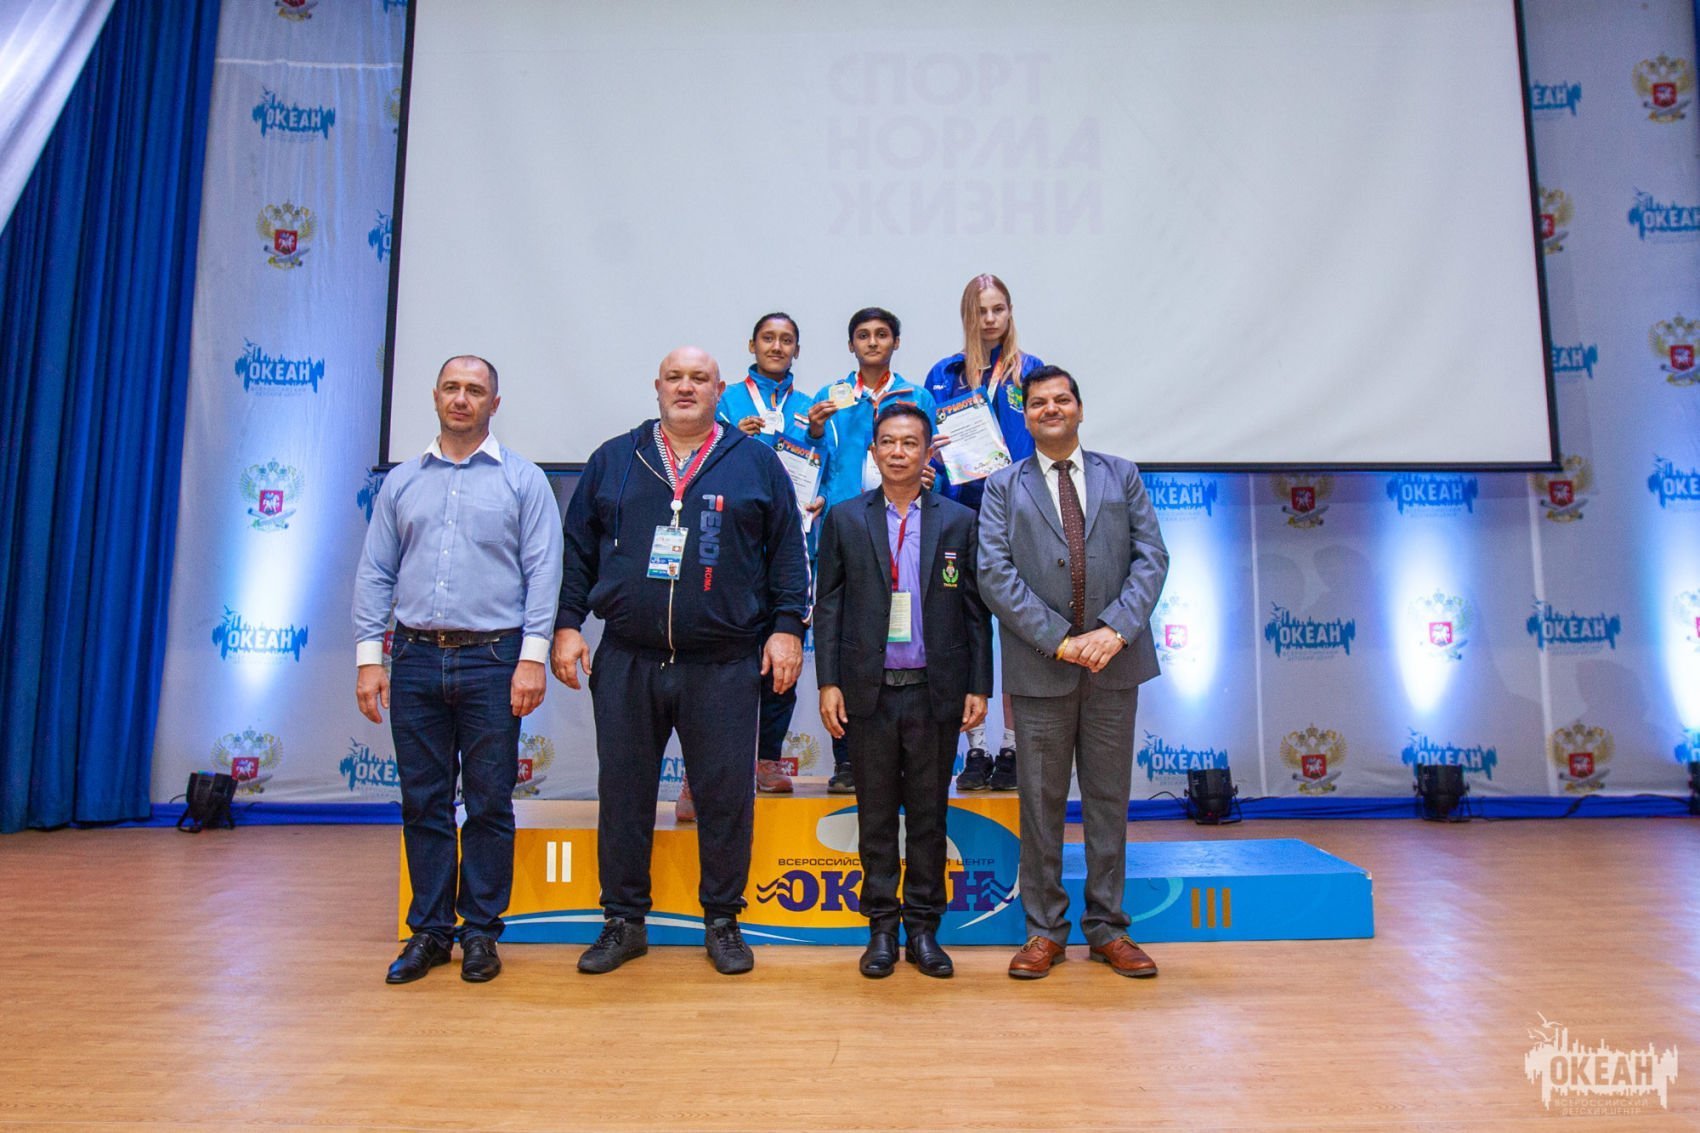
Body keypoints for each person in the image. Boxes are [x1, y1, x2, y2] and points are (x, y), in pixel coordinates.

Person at [553, 346, 808, 976]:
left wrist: (786, 629)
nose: (686, 387)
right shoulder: (616, 457)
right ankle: (623, 921)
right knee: (624, 793)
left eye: (700, 378)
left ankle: (722, 921)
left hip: (723, 662)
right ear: (657, 386)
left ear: (721, 390)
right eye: (675, 377)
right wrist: (566, 624)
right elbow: (577, 550)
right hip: (629, 657)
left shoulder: (755, 462)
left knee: (724, 799)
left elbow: (787, 553)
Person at [354, 355, 563, 985]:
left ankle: (480, 933)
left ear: (494, 403)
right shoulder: (402, 482)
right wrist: (370, 660)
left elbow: (543, 573)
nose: (462, 399)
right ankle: (429, 932)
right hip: (415, 657)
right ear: (435, 396)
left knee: (490, 802)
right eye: (452, 387)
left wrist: (532, 659)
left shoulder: (523, 480)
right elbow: (376, 572)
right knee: (424, 803)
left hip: (494, 660)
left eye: (475, 390)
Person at [976, 365, 1169, 981]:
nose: (1051, 409)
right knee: (1040, 805)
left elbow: (1151, 557)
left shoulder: (1122, 474)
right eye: (1038, 403)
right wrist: (1060, 641)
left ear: (1080, 409)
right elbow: (993, 573)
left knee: (1109, 802)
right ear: (1026, 416)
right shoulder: (1002, 486)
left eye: (1062, 399)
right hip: (1042, 668)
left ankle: (1109, 928)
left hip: (1115, 662)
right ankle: (1044, 931)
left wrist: (1114, 631)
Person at [813, 401, 992, 979]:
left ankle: (923, 930)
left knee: (928, 817)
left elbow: (975, 610)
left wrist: (979, 685)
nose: (898, 452)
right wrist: (829, 682)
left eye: (909, 443)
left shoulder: (959, 521)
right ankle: (882, 930)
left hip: (934, 693)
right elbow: (829, 606)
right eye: (888, 442)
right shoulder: (844, 519)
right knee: (874, 819)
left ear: (927, 450)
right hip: (868, 694)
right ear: (873, 451)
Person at [650, 313, 815, 818]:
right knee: (708, 679)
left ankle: (767, 758)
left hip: (785, 547)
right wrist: (732, 437)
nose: (777, 346)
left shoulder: (811, 408)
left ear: (797, 349)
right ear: (751, 344)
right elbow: (697, 454)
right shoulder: (726, 400)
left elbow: (829, 468)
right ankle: (696, 777)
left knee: (780, 661)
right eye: (768, 338)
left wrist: (823, 500)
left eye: (787, 340)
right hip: (721, 556)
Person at [803, 307, 936, 794]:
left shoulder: (917, 396)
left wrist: (931, 476)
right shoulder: (829, 397)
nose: (873, 342)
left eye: (882, 334)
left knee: (908, 637)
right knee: (848, 637)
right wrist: (814, 432)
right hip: (848, 527)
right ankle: (846, 758)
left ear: (896, 342)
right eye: (863, 335)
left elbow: (932, 458)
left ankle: (908, 758)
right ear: (851, 345)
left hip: (905, 523)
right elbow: (810, 464)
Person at [925, 273, 1046, 794]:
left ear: (1010, 311)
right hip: (958, 516)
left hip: (1019, 518)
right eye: (981, 311)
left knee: (1018, 635)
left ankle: (1013, 747)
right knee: (963, 634)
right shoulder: (943, 375)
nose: (990, 319)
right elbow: (929, 445)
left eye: (998, 308)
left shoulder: (1032, 371)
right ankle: (974, 749)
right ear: (967, 316)